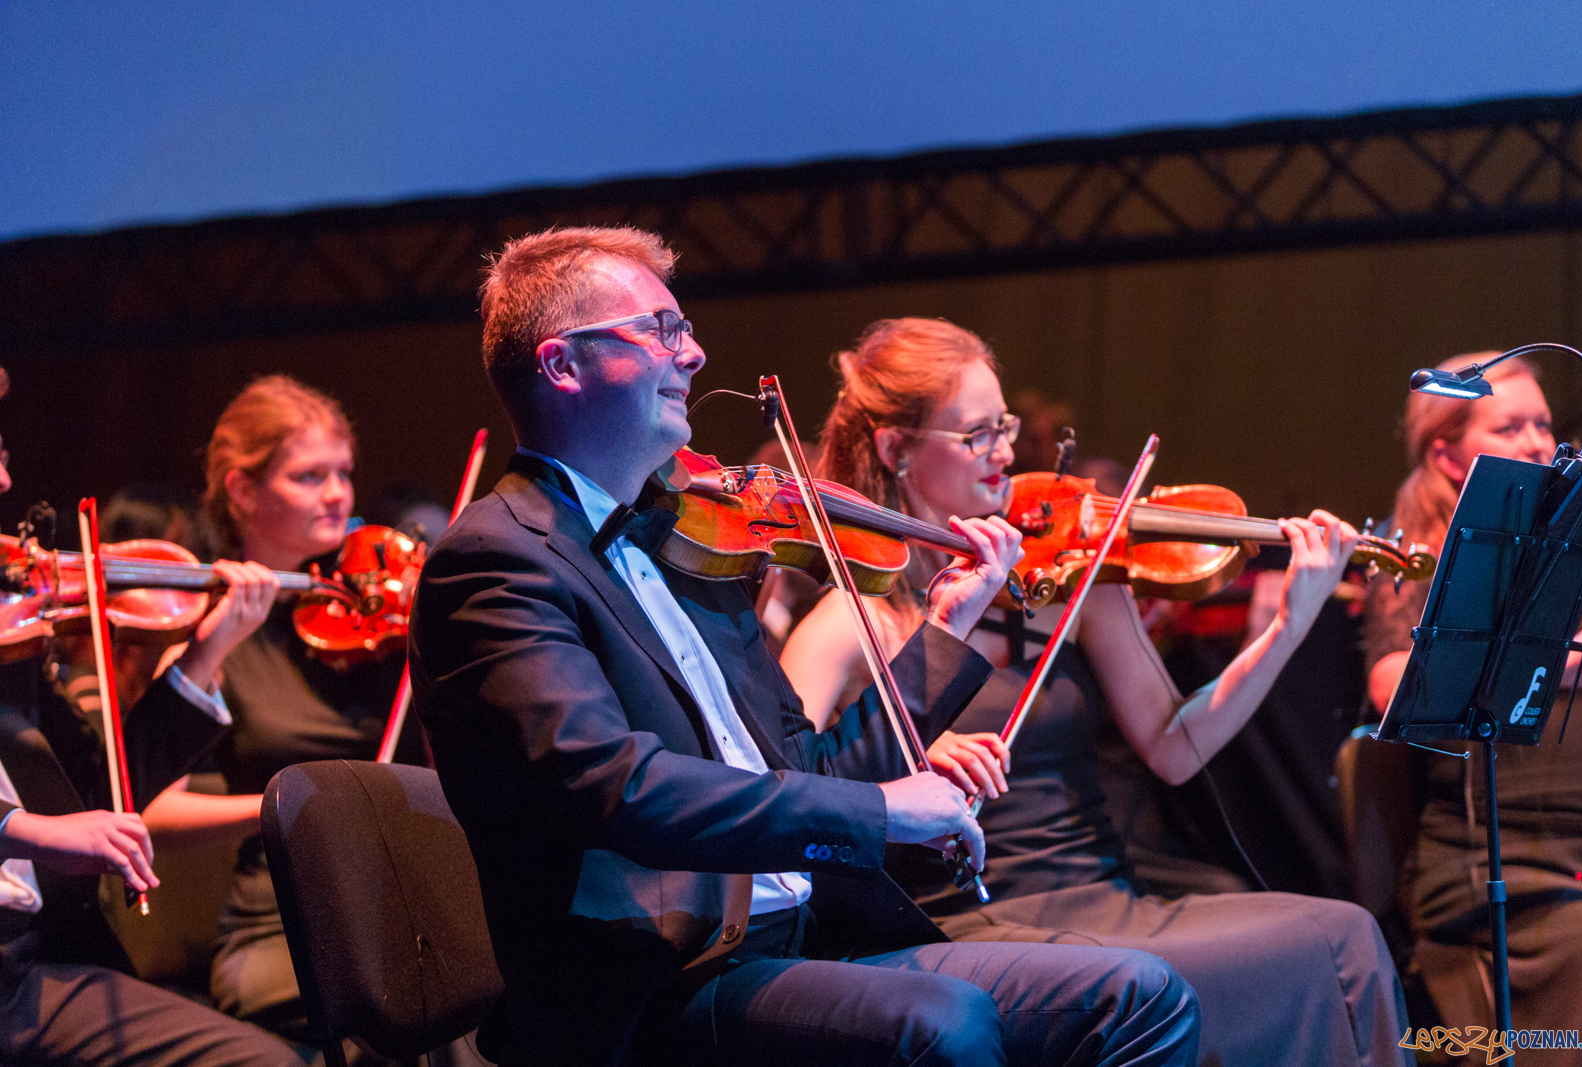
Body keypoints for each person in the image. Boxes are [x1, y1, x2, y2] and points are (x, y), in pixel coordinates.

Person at [408, 226, 1201, 1067]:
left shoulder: (692, 543)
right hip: (661, 983)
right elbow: (620, 790)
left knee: (1138, 998)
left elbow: (809, 767)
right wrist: (887, 812)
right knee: (945, 1025)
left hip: (811, 936)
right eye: (664, 331)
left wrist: (944, 630)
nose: (697, 354)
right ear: (564, 365)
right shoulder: (496, 562)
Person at [780, 317, 1412, 1067]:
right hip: (968, 922)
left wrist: (1285, 626)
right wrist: (902, 771)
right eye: (977, 434)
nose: (1007, 454)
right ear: (897, 450)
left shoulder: (1066, 581)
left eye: (1005, 426)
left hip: (1109, 897)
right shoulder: (852, 621)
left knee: (1341, 935)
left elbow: (1175, 747)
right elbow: (783, 791)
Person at [0, 371, 301, 1066]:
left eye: (6, 458)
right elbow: (54, 825)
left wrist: (207, 651)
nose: (7, 487)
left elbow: (101, 792)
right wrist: (34, 832)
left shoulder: (15, 636)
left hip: (31, 962)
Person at [138, 376, 424, 1043]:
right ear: (242, 491)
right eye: (309, 475)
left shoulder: (378, 618)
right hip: (288, 922)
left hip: (408, 898)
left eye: (343, 473)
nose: (337, 495)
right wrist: (291, 803)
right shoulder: (206, 627)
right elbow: (151, 810)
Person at [1365, 352, 1582, 1060]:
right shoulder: (1415, 554)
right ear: (1447, 454)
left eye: (1543, 423)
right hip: (1499, 861)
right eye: (1510, 426)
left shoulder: (1575, 542)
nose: (1537, 442)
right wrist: (1552, 658)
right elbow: (1390, 682)